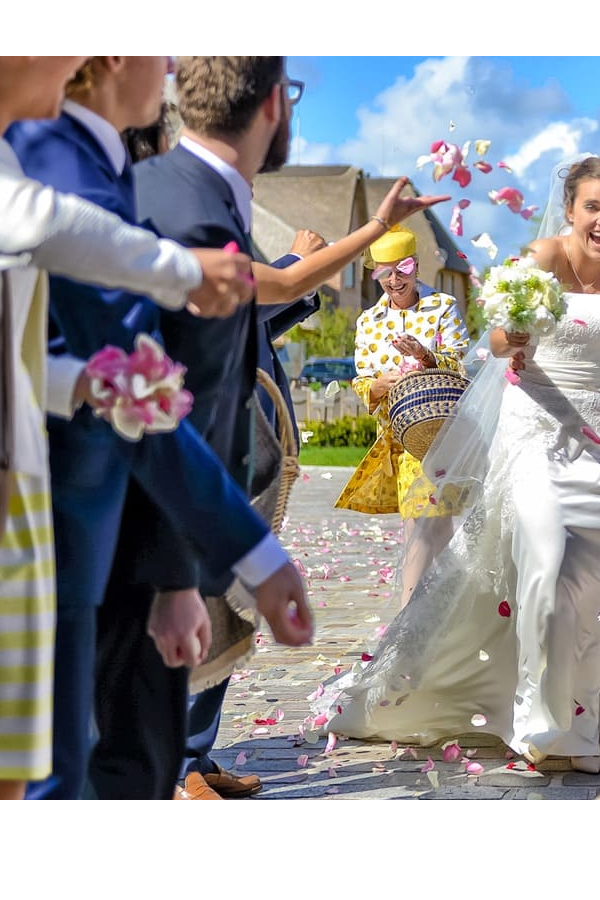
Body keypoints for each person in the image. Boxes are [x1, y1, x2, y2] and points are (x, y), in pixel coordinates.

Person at [118, 56, 440, 800]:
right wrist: (196, 566)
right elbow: (174, 416)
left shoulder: (192, 195)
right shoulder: (187, 204)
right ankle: (172, 769)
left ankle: (187, 758)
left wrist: (370, 228)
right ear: (274, 104)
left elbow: (286, 287)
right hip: (174, 499)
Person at [6, 56, 317, 802]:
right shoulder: (56, 158)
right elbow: (137, 385)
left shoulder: (110, 165)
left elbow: (87, 371)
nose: (171, 65)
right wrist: (234, 560)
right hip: (66, 537)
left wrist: (76, 380)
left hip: (85, 534)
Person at [322, 156, 600, 775]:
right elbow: (494, 341)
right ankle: (539, 723)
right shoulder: (542, 256)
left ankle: (577, 731)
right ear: (570, 206)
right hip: (534, 429)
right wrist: (516, 339)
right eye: (593, 207)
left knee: (591, 589)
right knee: (544, 563)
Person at [335, 223, 470, 608]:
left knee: (423, 525)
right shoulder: (368, 322)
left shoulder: (442, 307)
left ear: (417, 265)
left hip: (438, 435)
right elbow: (362, 382)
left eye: (404, 268)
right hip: (397, 441)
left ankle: (407, 622)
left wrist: (427, 358)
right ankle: (448, 619)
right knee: (435, 532)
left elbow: (463, 367)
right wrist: (380, 385)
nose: (395, 280)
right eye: (385, 272)